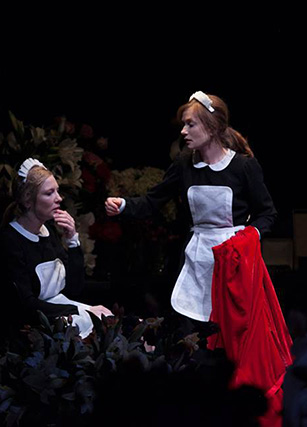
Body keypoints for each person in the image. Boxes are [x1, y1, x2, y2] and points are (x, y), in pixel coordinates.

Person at [105, 90, 277, 325]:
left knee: (230, 328)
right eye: (183, 125)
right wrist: (123, 205)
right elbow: (152, 201)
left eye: (190, 124)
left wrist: (247, 237)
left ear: (212, 127)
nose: (183, 131)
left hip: (235, 260)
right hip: (196, 258)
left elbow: (267, 213)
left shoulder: (243, 167)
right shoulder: (184, 164)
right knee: (190, 328)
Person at [0, 158, 112, 341]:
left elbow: (74, 288)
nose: (59, 198)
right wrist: (79, 310)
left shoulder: (48, 231)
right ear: (28, 200)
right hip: (31, 326)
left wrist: (72, 240)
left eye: (57, 191)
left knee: (107, 318)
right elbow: (25, 305)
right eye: (49, 193)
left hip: (59, 310)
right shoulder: (9, 241)